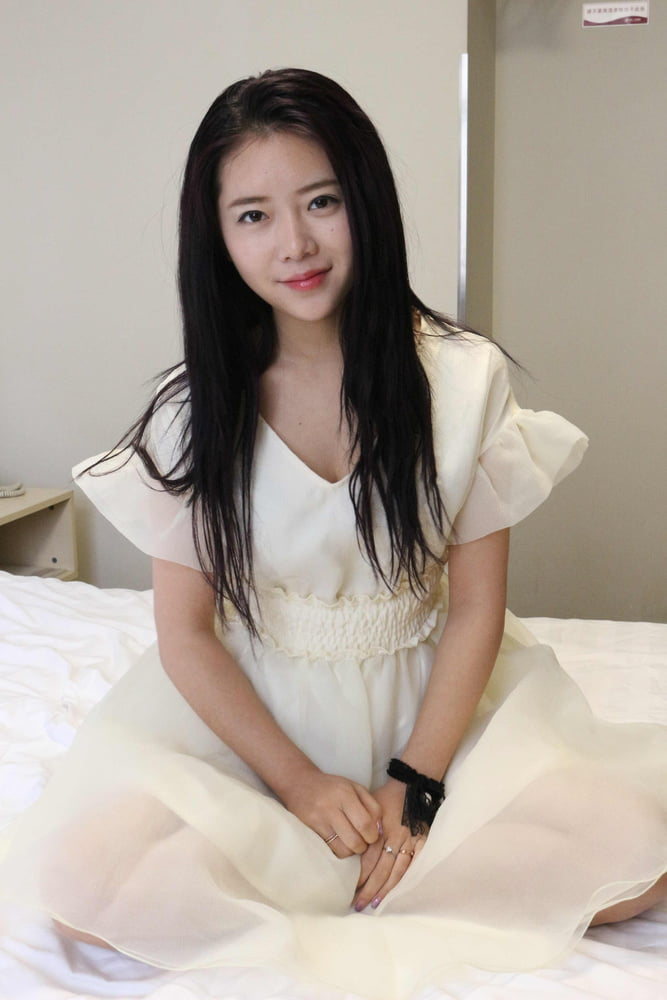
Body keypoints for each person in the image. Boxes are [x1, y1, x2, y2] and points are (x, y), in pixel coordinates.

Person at [1, 68, 665, 1000]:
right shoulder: (193, 415)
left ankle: (363, 860)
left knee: (635, 857)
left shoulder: (462, 380)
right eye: (253, 216)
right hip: (260, 731)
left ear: (366, 199)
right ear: (216, 235)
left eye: (321, 201)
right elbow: (185, 634)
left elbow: (476, 608)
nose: (296, 244)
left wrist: (416, 784)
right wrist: (300, 786)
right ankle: (343, 858)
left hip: (435, 712)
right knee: (84, 888)